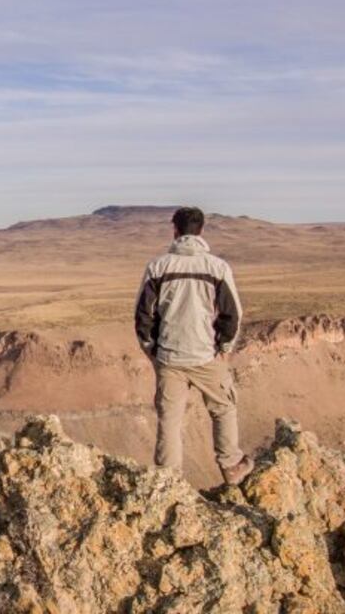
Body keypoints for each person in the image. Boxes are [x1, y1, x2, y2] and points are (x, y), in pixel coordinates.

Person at [134, 206, 254, 485]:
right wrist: (224, 349)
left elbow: (143, 315)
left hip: (169, 356)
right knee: (223, 407)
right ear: (201, 231)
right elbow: (231, 315)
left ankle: (169, 479)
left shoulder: (158, 266)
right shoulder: (217, 267)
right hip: (205, 356)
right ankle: (231, 464)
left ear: (175, 231)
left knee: (170, 419)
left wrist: (151, 349)